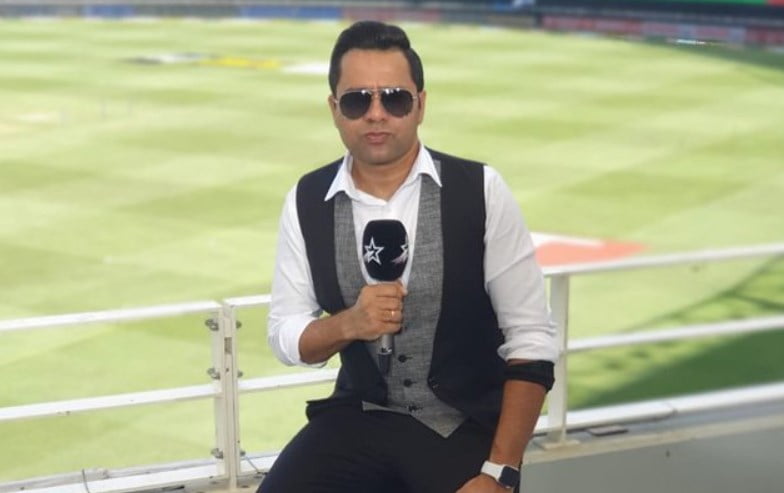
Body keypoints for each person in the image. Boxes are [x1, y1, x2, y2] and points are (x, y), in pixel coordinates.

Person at [260, 20, 558, 493]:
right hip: (357, 416)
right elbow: (285, 331)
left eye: (394, 99)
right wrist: (349, 324)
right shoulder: (306, 198)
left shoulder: (481, 190)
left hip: (463, 423)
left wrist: (500, 473)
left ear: (420, 104)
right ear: (335, 109)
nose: (376, 114)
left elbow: (531, 342)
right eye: (357, 101)